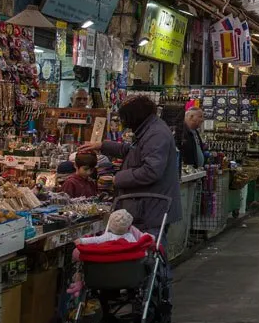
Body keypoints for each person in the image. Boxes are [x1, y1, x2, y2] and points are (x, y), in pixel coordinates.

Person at [84, 95, 182, 235]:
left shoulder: (156, 134)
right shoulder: (149, 129)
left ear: (134, 116)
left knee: (148, 250)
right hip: (147, 207)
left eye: (125, 119)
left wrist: (118, 178)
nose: (125, 124)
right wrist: (102, 146)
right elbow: (133, 151)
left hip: (151, 210)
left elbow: (151, 171)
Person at [174, 103, 206, 169]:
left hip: (196, 173)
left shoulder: (195, 132)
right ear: (191, 117)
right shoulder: (180, 132)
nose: (202, 120)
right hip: (187, 173)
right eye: (200, 117)